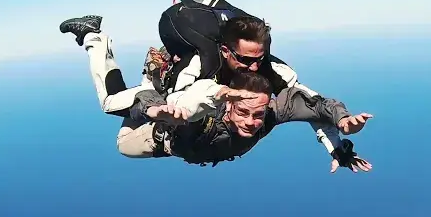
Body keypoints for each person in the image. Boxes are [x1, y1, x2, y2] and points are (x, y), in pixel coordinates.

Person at [58, 14, 372, 172]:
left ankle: (153, 87)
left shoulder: (274, 83)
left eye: (259, 59)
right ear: (224, 50)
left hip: (190, 121)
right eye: (245, 59)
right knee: (115, 110)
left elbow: (315, 105)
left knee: (160, 114)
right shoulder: (201, 67)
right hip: (171, 109)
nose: (253, 66)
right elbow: (183, 100)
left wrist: (339, 142)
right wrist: (159, 109)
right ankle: (95, 37)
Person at [124, 68, 374, 170]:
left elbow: (316, 105)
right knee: (122, 141)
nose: (251, 122)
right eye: (243, 113)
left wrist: (341, 127)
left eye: (258, 114)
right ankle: (103, 44)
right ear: (229, 104)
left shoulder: (271, 112)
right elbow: (148, 101)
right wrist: (153, 110)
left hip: (194, 147)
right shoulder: (204, 112)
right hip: (158, 139)